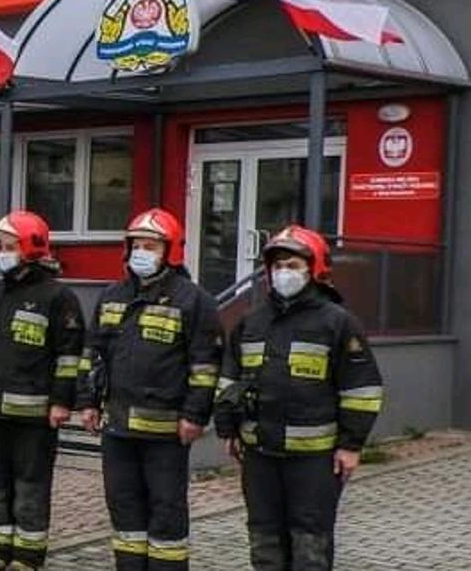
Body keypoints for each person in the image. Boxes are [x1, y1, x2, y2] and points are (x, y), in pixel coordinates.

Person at [216, 226, 382, 571]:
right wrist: (228, 429)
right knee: (264, 540)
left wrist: (351, 446)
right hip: (259, 455)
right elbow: (230, 379)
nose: (282, 273)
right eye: (276, 266)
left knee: (310, 544)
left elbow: (361, 389)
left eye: (291, 265)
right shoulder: (251, 321)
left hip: (314, 461)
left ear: (315, 268)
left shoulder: (338, 323)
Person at [78, 209, 223, 570]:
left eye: (151, 245)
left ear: (169, 251)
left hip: (165, 430)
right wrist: (88, 402)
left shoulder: (193, 300)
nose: (141, 252)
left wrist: (194, 415)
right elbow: (92, 353)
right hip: (117, 426)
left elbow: (205, 366)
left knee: (166, 509)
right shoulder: (112, 295)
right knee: (123, 506)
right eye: (136, 245)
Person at [0, 210, 86, 571]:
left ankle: (28, 558)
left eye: (8, 245)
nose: (1, 252)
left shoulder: (58, 297)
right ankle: (0, 552)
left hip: (35, 415)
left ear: (30, 247)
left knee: (30, 485)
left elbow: (69, 357)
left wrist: (63, 402)